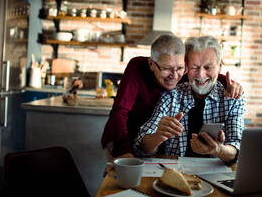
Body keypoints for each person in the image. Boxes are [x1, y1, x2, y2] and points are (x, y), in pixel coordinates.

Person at [100, 34, 244, 162]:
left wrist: (231, 84)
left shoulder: (186, 74)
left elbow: (205, 75)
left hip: (153, 149)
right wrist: (124, 151)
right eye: (166, 69)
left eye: (180, 68)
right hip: (122, 137)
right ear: (152, 64)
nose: (174, 76)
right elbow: (120, 111)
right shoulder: (139, 68)